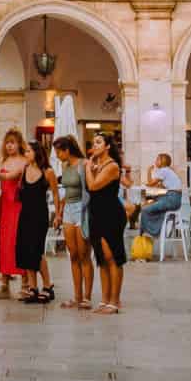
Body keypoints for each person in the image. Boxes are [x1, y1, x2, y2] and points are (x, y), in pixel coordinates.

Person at [83, 133, 126, 314]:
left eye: (99, 142)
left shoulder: (112, 166)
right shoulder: (97, 165)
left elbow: (93, 187)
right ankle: (104, 299)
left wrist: (87, 169)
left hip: (111, 214)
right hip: (96, 213)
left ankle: (114, 301)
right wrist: (91, 169)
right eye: (94, 142)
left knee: (112, 257)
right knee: (101, 258)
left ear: (108, 146)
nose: (95, 145)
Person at [52, 136, 93, 310]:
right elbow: (65, 193)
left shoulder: (84, 165)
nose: (57, 155)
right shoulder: (65, 166)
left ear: (67, 150)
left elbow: (90, 188)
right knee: (73, 254)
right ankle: (77, 296)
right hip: (68, 209)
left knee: (84, 255)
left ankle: (87, 297)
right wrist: (59, 213)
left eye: (58, 151)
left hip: (82, 210)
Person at [14, 140, 56, 303]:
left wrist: (58, 215)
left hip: (39, 215)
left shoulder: (48, 171)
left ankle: (48, 286)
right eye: (25, 151)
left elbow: (55, 194)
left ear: (37, 153)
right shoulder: (24, 170)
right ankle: (33, 287)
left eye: (28, 151)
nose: (26, 154)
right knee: (25, 250)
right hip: (25, 214)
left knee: (37, 251)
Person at [0, 128, 30, 300]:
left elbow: (11, 177)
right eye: (7, 142)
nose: (9, 146)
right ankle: (5, 283)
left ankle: (25, 283)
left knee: (19, 243)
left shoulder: (25, 161)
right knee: (5, 244)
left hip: (19, 205)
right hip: (5, 205)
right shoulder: (2, 160)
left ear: (19, 143)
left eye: (12, 142)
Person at [139, 153, 183, 248]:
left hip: (171, 198)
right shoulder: (168, 171)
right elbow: (156, 187)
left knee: (145, 209)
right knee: (148, 198)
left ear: (162, 161)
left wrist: (148, 171)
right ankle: (149, 231)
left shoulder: (163, 171)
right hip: (174, 199)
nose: (155, 161)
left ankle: (148, 233)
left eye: (157, 159)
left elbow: (151, 184)